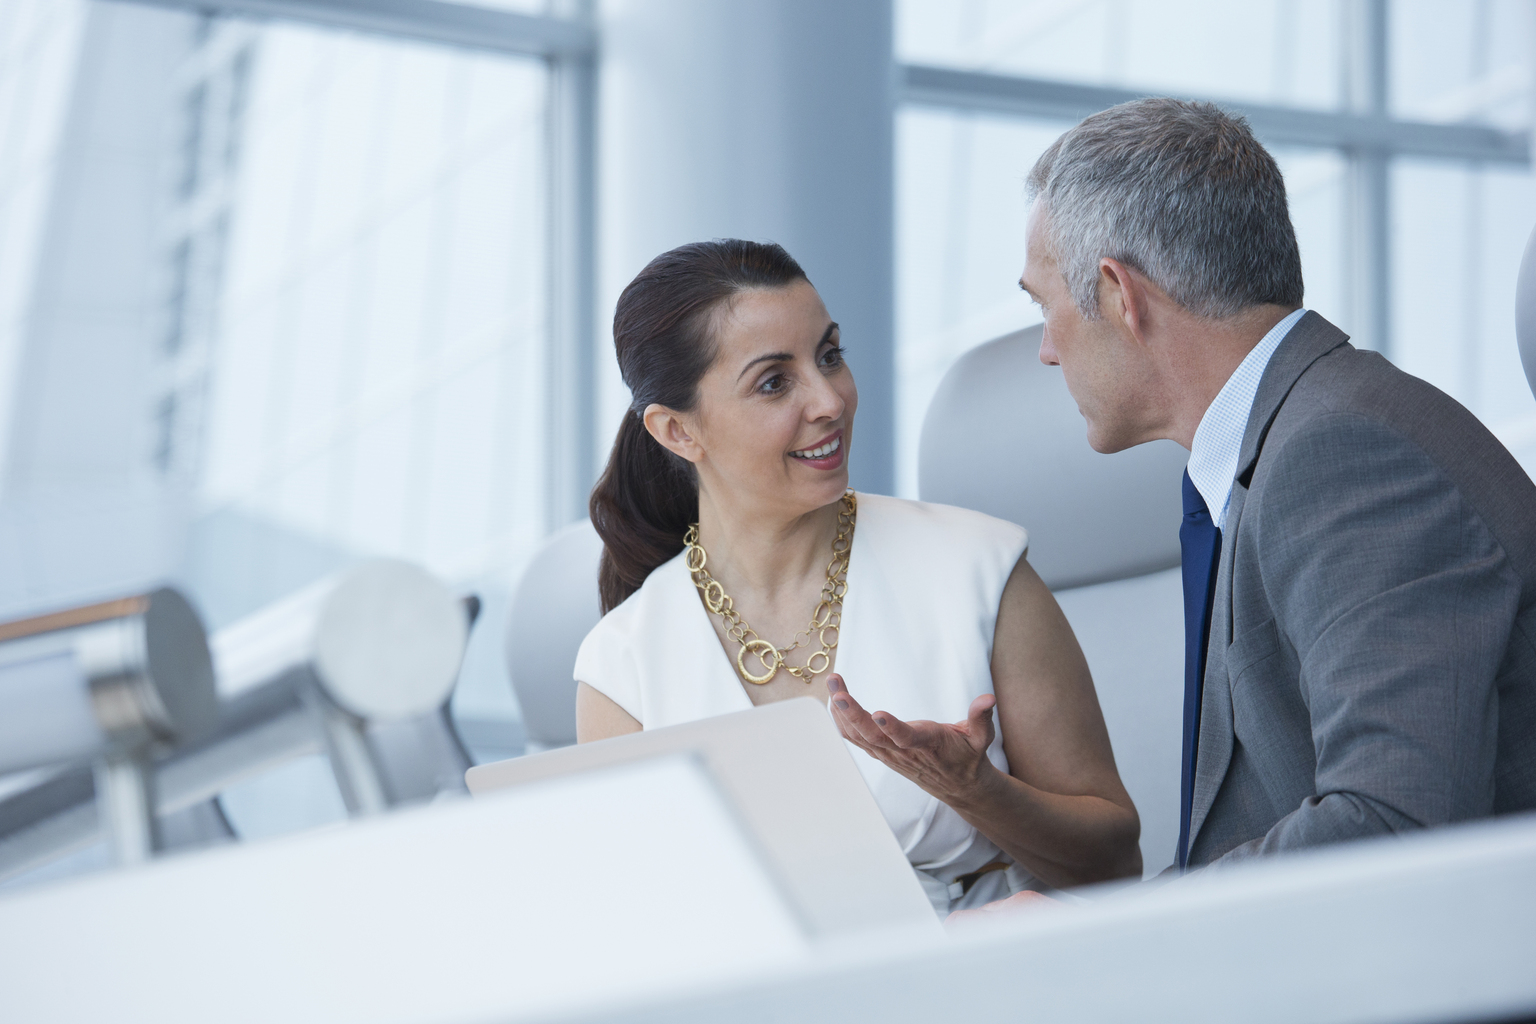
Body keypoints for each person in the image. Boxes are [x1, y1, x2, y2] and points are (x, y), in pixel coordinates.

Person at [936, 98, 1536, 919]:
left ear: (1118, 294)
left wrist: (1103, 933)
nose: (1044, 348)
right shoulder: (1290, 446)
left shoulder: (1345, 456)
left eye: (1045, 306)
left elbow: (1400, 823)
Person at [574, 239, 1142, 915]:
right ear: (676, 432)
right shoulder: (622, 662)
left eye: (830, 356)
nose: (829, 400)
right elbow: (634, 924)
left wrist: (974, 790)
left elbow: (1115, 863)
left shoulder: (977, 569)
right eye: (774, 382)